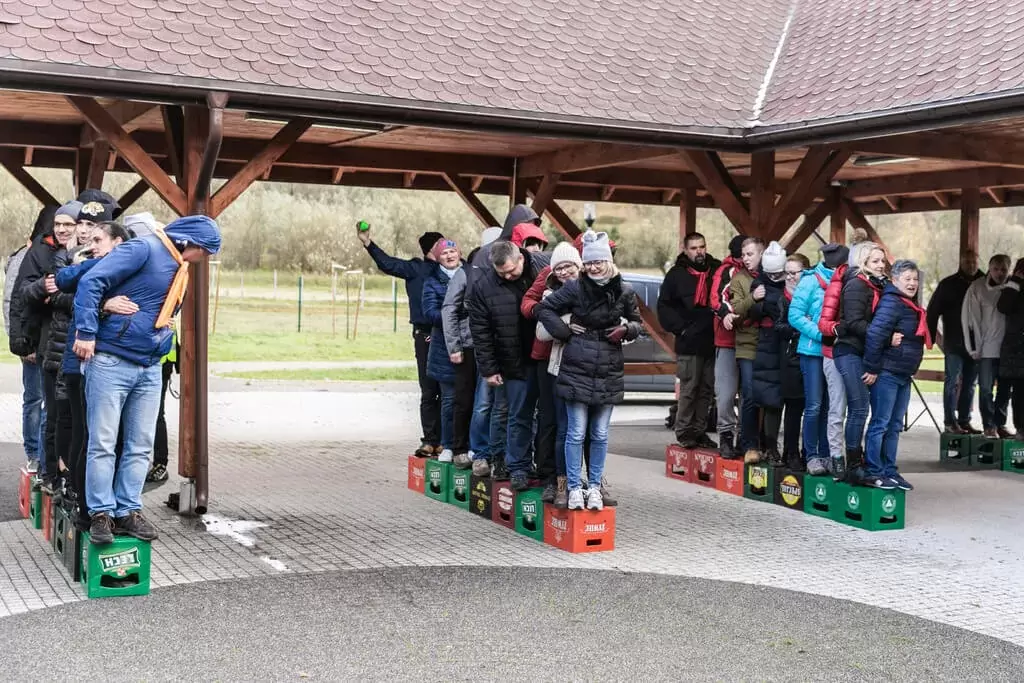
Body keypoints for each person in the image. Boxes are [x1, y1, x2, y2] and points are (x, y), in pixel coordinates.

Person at [73, 215, 221, 544]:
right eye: (206, 252)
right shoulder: (145, 248)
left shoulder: (179, 265)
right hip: (112, 360)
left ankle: (127, 510)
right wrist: (86, 331)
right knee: (103, 442)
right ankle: (100, 514)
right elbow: (91, 281)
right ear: (191, 242)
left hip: (150, 365)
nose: (205, 259)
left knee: (140, 446)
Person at [536, 231, 642, 510]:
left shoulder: (625, 290)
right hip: (577, 367)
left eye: (599, 261)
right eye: (589, 262)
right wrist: (565, 330)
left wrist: (626, 330)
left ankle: (594, 487)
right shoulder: (575, 288)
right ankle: (573, 488)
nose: (594, 266)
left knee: (600, 434)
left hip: (608, 368)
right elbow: (543, 309)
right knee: (575, 432)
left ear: (608, 261)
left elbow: (637, 323)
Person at [55, 221, 135, 524]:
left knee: (103, 439)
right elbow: (65, 281)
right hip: (81, 365)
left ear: (118, 242)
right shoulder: (96, 266)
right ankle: (85, 507)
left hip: (108, 364)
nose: (91, 243)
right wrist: (104, 304)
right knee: (88, 438)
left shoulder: (122, 268)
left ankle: (97, 503)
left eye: (99, 239)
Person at [358, 226, 445, 457]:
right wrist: (368, 243)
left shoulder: (453, 269)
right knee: (429, 390)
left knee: (448, 390)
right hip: (425, 334)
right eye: (443, 245)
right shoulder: (415, 269)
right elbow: (387, 263)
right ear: (433, 248)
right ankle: (430, 440)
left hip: (448, 334)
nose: (448, 249)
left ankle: (447, 441)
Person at [467, 240, 544, 490]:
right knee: (517, 415)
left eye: (511, 271)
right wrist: (489, 369)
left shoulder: (542, 270)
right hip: (512, 361)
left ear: (521, 258)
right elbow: (481, 332)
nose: (508, 276)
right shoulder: (483, 287)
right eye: (502, 273)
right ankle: (517, 467)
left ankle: (544, 467)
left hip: (543, 357)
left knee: (545, 417)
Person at [14, 201, 81, 490]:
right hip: (45, 342)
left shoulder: (86, 254)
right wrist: (20, 340)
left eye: (69, 224)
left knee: (67, 416)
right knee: (45, 410)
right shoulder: (39, 252)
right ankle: (45, 467)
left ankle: (62, 473)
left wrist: (56, 294)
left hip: (75, 345)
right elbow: (20, 294)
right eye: (59, 224)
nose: (63, 229)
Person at [523, 241, 589, 506]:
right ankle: (551, 476)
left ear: (579, 265)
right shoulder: (549, 291)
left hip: (585, 368)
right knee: (552, 422)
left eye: (569, 266)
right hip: (552, 364)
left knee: (582, 428)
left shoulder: (592, 289)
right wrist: (568, 324)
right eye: (559, 268)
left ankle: (580, 478)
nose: (564, 272)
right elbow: (540, 326)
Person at [862, 260, 930, 491]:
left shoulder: (908, 303)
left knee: (895, 425)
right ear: (895, 280)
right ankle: (875, 470)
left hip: (903, 373)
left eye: (915, 279)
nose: (912, 283)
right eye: (907, 279)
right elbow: (874, 335)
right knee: (880, 423)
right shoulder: (892, 302)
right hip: (887, 373)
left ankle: (890, 470)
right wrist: (872, 368)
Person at [443, 226, 503, 476]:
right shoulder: (466, 273)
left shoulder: (505, 272)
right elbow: (449, 309)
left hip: (495, 347)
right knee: (466, 399)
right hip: (468, 346)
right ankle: (460, 448)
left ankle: (487, 451)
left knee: (490, 403)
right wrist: (454, 345)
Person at [657, 232, 721, 449]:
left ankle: (700, 431)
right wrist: (682, 329)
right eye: (694, 248)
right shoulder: (676, 275)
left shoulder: (716, 270)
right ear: (685, 250)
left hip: (712, 341)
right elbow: (664, 306)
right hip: (688, 342)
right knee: (689, 389)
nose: (699, 251)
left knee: (707, 390)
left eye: (701, 247)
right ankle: (684, 432)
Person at [830, 242, 887, 484]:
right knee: (859, 408)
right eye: (875, 261)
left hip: (864, 351)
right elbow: (853, 322)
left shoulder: (878, 286)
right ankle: (853, 462)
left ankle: (861, 460)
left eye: (882, 261)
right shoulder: (856, 285)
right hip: (849, 350)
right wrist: (881, 334)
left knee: (863, 409)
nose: (881, 265)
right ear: (864, 263)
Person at [4, 205, 55, 473]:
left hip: (49, 341)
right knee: (34, 399)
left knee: (48, 404)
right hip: (32, 342)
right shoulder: (26, 256)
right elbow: (11, 301)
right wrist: (23, 343)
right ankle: (34, 453)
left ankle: (46, 456)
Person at [789, 243, 847, 475]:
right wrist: (820, 333)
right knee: (813, 405)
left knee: (830, 407)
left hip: (834, 352)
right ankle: (811, 455)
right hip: (812, 351)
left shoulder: (845, 281)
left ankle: (827, 454)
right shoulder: (810, 280)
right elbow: (794, 315)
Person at [748, 242, 797, 466]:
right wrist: (757, 302)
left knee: (792, 400)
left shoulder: (790, 282)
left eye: (780, 273)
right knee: (771, 399)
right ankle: (769, 447)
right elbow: (756, 311)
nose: (776, 277)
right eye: (772, 274)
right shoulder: (760, 285)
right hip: (769, 344)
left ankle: (788, 449)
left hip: (786, 344)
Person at [927, 250, 984, 434]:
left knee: (970, 383)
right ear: (961, 262)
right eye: (967, 262)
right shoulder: (948, 284)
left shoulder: (984, 282)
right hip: (954, 342)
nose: (971, 265)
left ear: (978, 262)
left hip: (976, 343)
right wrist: (930, 337)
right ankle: (950, 422)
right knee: (952, 381)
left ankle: (965, 420)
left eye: (974, 261)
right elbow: (933, 311)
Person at [422, 239, 467, 464]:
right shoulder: (432, 282)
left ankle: (467, 446)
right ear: (438, 258)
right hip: (444, 350)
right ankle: (448, 445)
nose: (449, 256)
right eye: (444, 253)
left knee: (469, 400)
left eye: (453, 251)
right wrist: (454, 316)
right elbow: (429, 312)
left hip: (470, 346)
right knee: (449, 401)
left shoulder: (471, 274)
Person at [962, 254, 1013, 438]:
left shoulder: (1013, 289)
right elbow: (969, 320)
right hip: (986, 349)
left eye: (1003, 270)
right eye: (996, 269)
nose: (999, 273)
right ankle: (988, 425)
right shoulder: (977, 288)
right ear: (989, 269)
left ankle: (1000, 424)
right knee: (985, 388)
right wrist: (973, 347)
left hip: (1007, 350)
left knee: (1005, 391)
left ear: (1009, 270)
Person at [725, 237, 765, 463]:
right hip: (747, 345)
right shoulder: (739, 279)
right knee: (749, 394)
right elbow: (736, 310)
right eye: (743, 254)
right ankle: (748, 444)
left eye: (750, 254)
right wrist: (753, 297)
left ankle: (766, 443)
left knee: (768, 396)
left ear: (762, 254)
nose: (745, 259)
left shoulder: (770, 276)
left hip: (768, 344)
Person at [709, 235, 748, 458]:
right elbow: (715, 299)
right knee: (725, 394)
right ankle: (725, 436)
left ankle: (745, 437)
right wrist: (726, 314)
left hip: (752, 340)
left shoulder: (758, 272)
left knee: (748, 394)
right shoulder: (726, 270)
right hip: (727, 341)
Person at [781, 254, 809, 469]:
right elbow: (777, 328)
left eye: (794, 272)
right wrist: (799, 324)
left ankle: (809, 452)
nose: (790, 277)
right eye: (787, 273)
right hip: (789, 360)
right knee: (793, 409)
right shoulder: (782, 298)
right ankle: (790, 452)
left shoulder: (813, 293)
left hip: (811, 358)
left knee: (813, 409)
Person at [997, 258, 1024, 439]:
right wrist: (1015, 281)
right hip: (1015, 348)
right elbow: (1003, 306)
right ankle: (1020, 428)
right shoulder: (1013, 287)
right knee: (1017, 391)